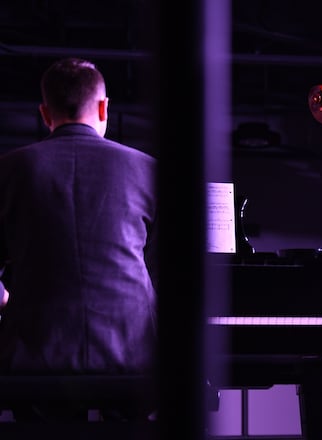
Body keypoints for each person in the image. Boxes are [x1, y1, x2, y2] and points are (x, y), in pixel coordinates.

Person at [0, 57, 158, 421]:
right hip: (132, 360)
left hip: (35, 360)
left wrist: (8, 301)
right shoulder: (149, 170)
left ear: (45, 112)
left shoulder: (7, 170)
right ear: (104, 107)